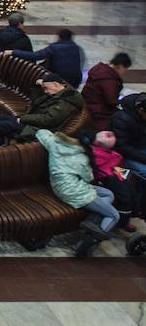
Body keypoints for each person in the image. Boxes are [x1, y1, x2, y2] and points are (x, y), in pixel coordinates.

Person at [36, 129, 119, 257]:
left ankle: (92, 222)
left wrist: (47, 132)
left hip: (59, 186)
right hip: (74, 192)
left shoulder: (55, 142)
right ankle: (86, 242)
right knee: (113, 215)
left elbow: (41, 133)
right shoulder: (82, 157)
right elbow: (88, 178)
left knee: (108, 194)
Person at [0, 74, 84, 148]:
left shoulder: (66, 101)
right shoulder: (56, 94)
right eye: (44, 88)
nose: (45, 91)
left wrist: (22, 119)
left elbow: (48, 120)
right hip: (33, 123)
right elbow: (36, 102)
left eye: (46, 88)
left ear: (56, 84)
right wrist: (37, 87)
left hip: (39, 130)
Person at [90, 130, 137, 232]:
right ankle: (123, 222)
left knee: (132, 185)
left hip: (114, 171)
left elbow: (117, 165)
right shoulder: (94, 153)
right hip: (106, 176)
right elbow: (102, 170)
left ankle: (132, 212)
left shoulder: (111, 152)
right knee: (125, 195)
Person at [7, 28, 84, 88]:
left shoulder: (55, 48)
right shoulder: (76, 48)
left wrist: (13, 52)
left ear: (59, 37)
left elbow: (36, 55)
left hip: (59, 79)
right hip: (75, 81)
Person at [81, 53, 132, 130]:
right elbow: (112, 101)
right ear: (120, 66)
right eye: (125, 68)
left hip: (86, 103)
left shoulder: (99, 69)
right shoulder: (110, 80)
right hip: (97, 112)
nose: (125, 72)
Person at [110, 93, 146, 178]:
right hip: (126, 154)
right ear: (140, 110)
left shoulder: (140, 109)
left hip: (139, 146)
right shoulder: (121, 119)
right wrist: (143, 158)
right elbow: (123, 147)